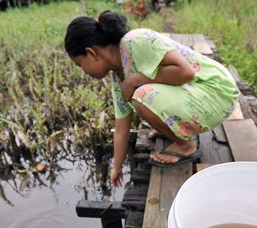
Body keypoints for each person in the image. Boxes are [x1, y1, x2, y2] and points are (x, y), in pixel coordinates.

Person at [64, 11, 240, 187]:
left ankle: (185, 146)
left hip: (217, 92)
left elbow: (185, 72)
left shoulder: (135, 40)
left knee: (142, 96)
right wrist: (116, 168)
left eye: (80, 64)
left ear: (91, 52)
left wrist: (136, 79)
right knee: (140, 97)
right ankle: (171, 130)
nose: (83, 71)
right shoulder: (118, 78)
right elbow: (121, 128)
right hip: (198, 96)